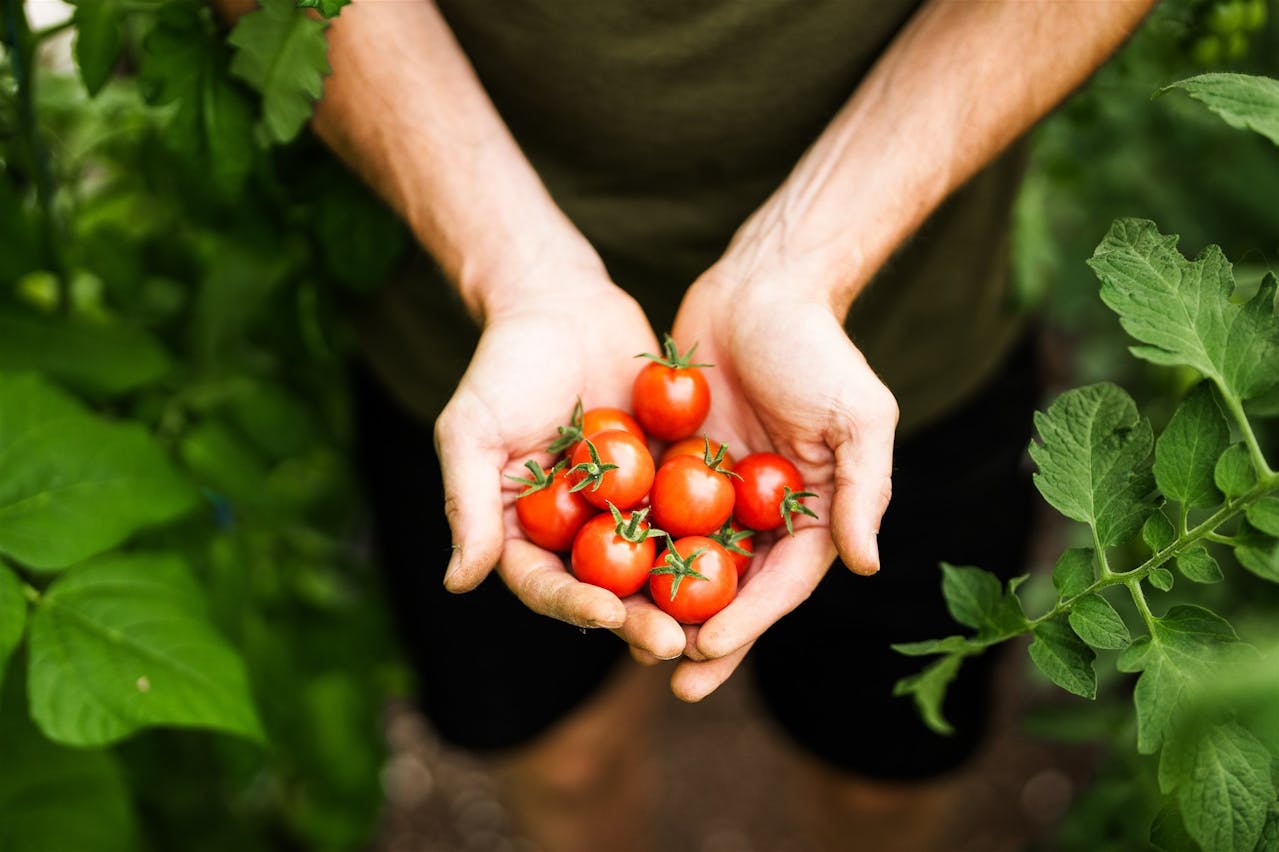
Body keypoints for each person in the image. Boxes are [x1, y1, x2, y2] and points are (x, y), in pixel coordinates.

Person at [220, 1, 1157, 848]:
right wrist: (506, 266)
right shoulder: (608, 468)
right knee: (559, 762)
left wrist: (806, 257)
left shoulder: (645, 485)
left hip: (903, 338)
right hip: (477, 354)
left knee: (884, 776)